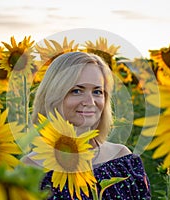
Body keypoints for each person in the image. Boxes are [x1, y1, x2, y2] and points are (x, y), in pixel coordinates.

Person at [21, 51, 151, 199]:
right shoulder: (30, 169)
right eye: (77, 91)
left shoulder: (123, 160)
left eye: (97, 92)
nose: (90, 102)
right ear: (53, 96)